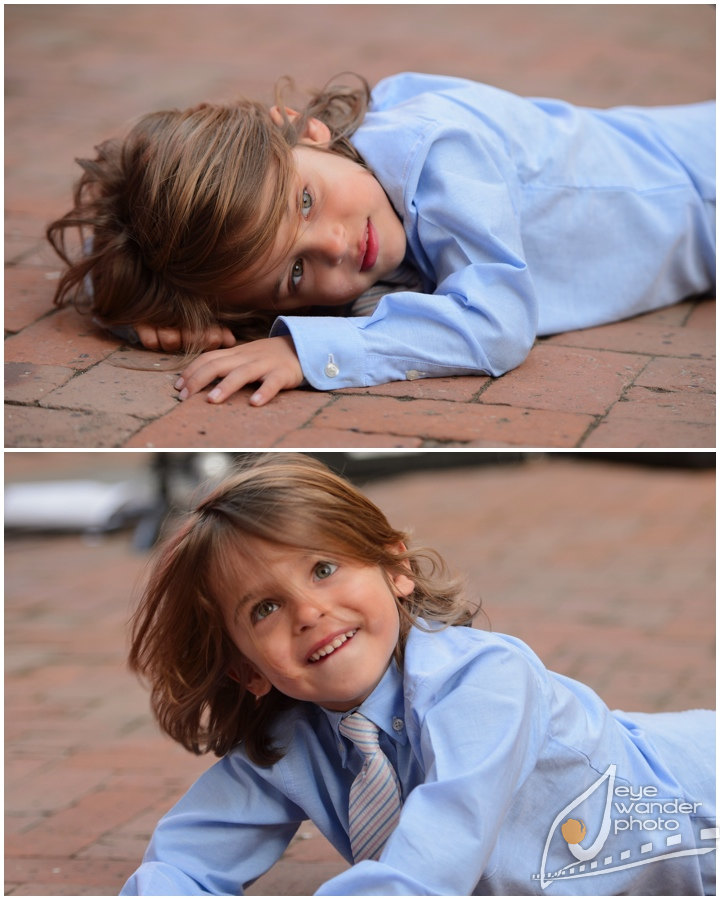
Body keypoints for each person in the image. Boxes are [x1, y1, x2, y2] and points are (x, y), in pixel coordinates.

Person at [121, 453, 715, 895]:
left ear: (395, 568)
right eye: (265, 608)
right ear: (245, 670)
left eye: (323, 568)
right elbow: (180, 862)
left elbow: (424, 870)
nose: (308, 612)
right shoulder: (289, 745)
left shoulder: (485, 682)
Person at [46, 73, 715, 407]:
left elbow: (498, 326)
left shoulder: (437, 148)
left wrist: (307, 352)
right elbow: (131, 229)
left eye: (305, 202)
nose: (336, 246)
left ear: (303, 128)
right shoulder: (347, 198)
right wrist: (140, 307)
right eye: (296, 274)